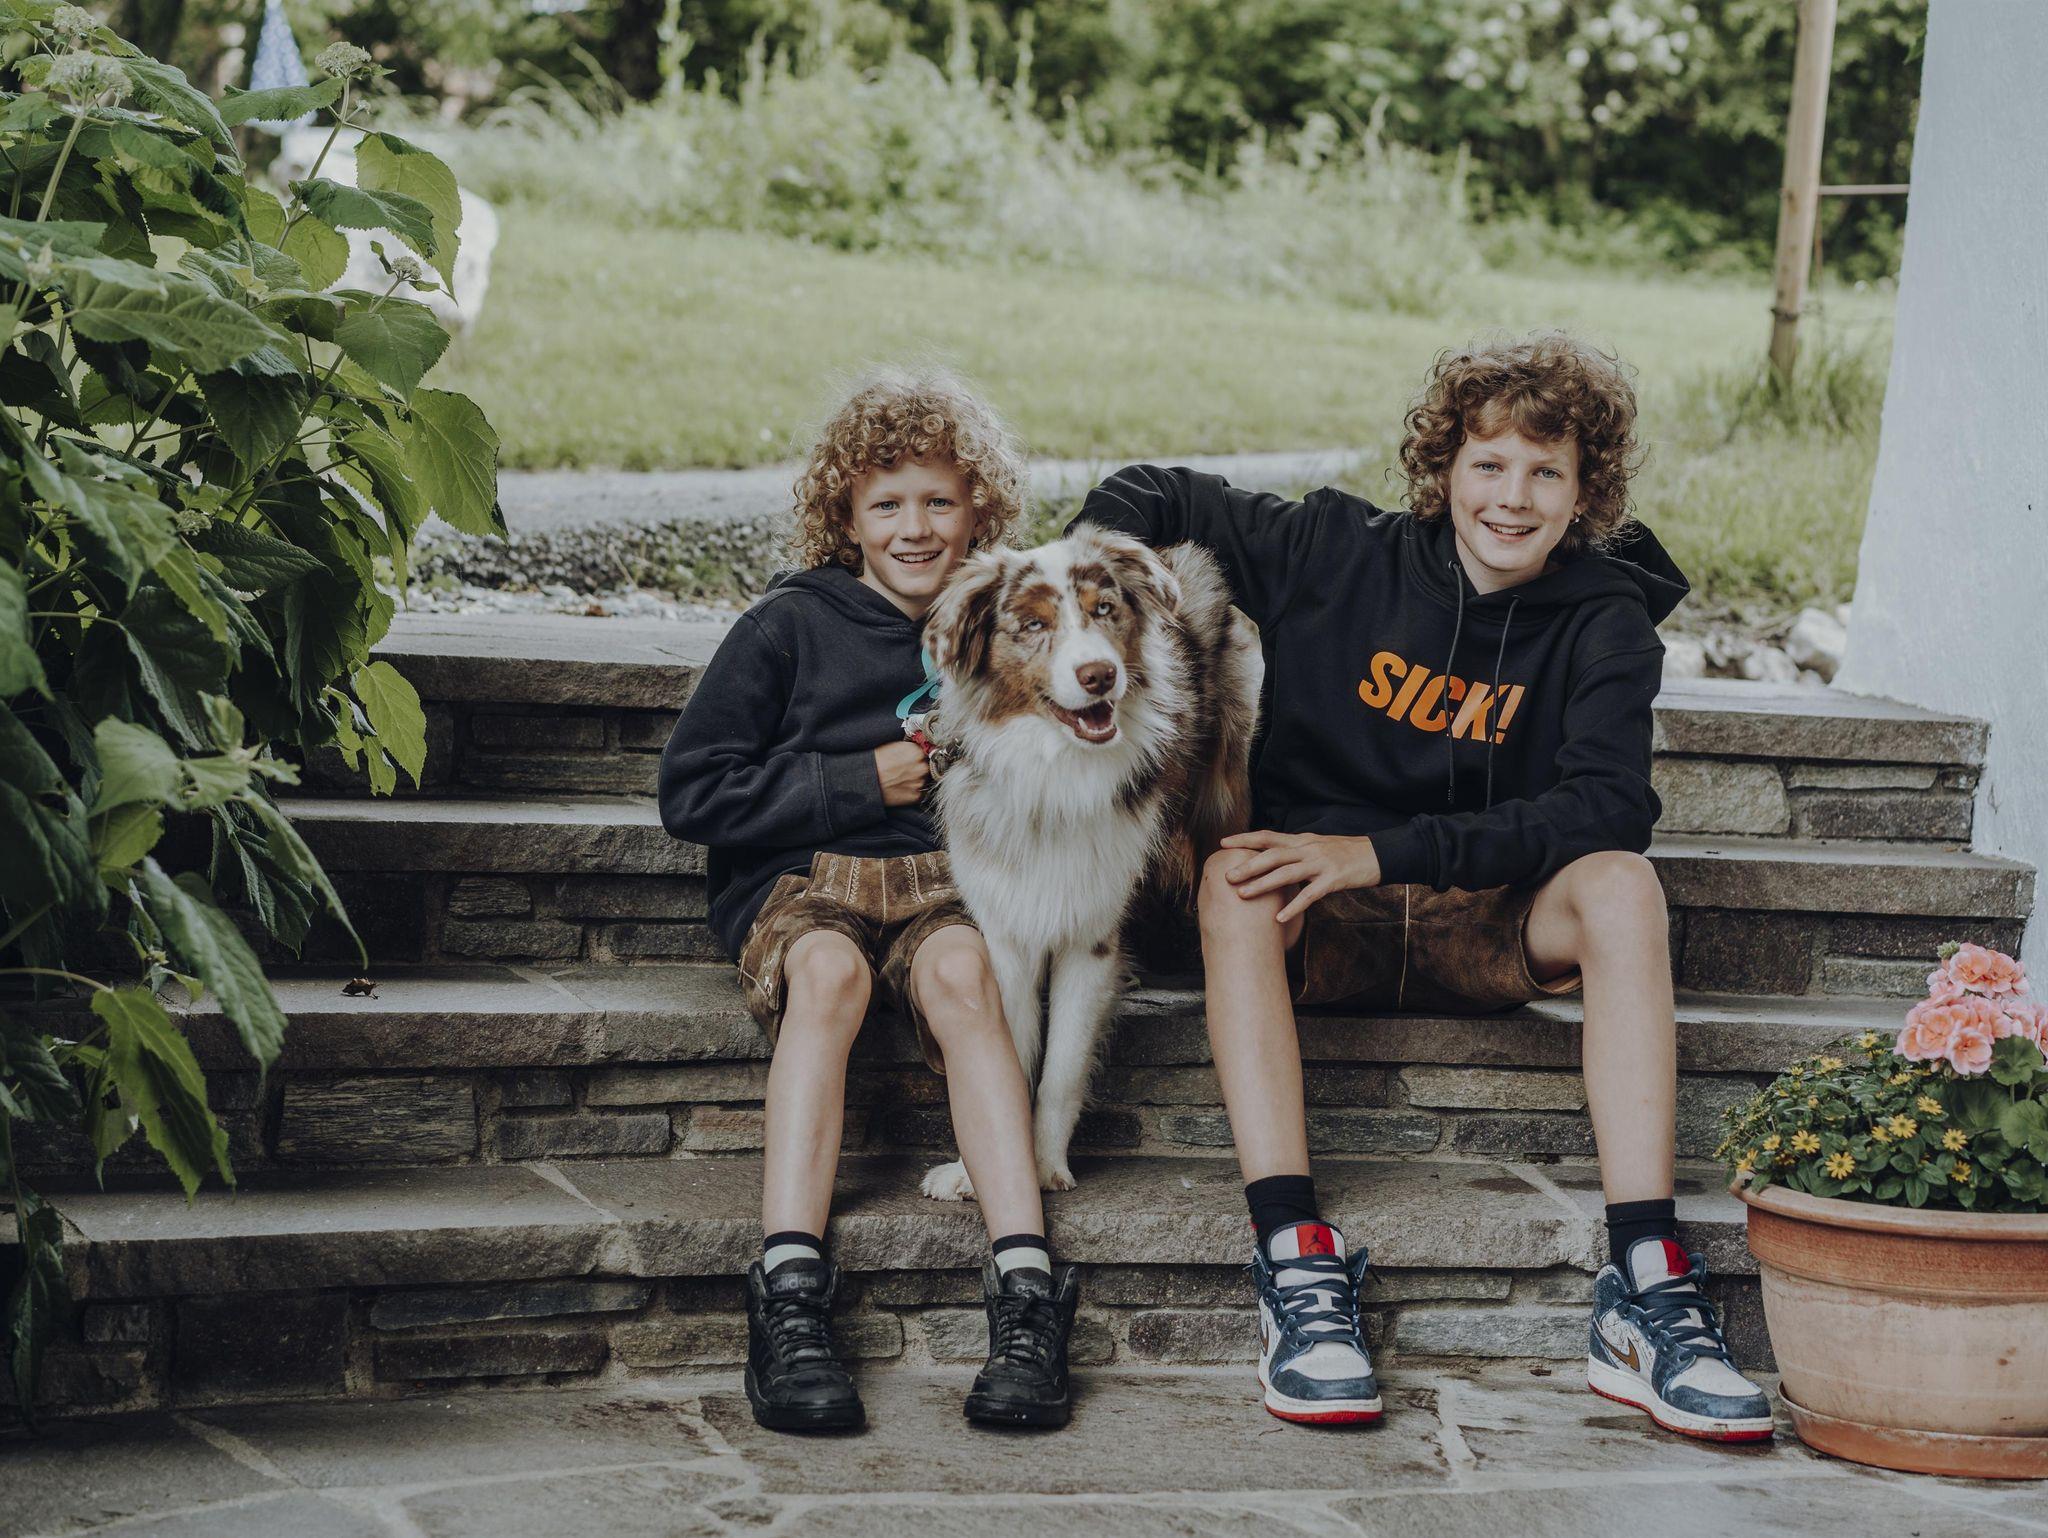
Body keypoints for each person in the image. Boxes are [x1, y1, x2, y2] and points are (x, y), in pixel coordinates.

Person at [1072, 333, 1773, 1441]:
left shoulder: (1604, 618)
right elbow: (1155, 491)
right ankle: (1294, 1260)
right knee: (1232, 881)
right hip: (1324, 914)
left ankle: (1644, 1279)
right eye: (1488, 463)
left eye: (1545, 472)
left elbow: (1607, 808)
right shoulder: (1333, 550)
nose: (1512, 498)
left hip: (1493, 910)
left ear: (1585, 492)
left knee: (1623, 886)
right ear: (1442, 468)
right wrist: (1078, 579)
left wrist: (1380, 852)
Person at [661, 370, 1078, 1433]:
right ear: (845, 518)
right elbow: (691, 790)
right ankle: (789, 1291)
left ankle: (1028, 1291)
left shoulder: (1003, 624)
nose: (914, 526)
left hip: (943, 883)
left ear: (979, 509)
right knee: (829, 974)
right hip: (803, 879)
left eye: (939, 500)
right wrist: (858, 781)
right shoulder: (788, 626)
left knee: (964, 974)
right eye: (886, 503)